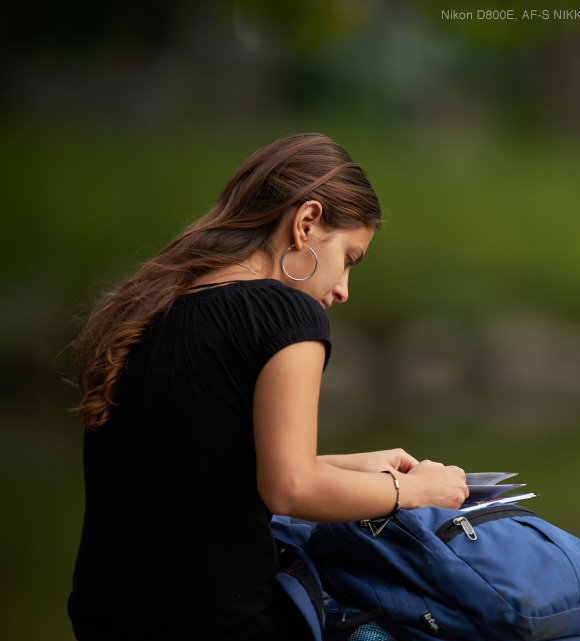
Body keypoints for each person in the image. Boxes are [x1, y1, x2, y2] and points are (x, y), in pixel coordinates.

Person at [67, 133, 469, 640]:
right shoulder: (285, 313)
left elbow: (204, 472)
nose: (344, 289)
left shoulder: (147, 308)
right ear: (306, 224)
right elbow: (289, 488)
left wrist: (352, 464)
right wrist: (414, 490)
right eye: (349, 257)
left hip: (106, 621)